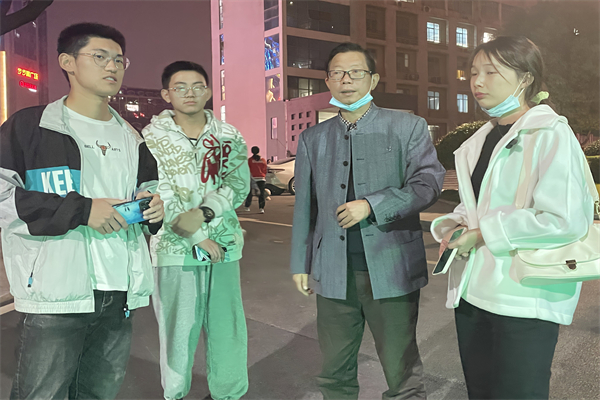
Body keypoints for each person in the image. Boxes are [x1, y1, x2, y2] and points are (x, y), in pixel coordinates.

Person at [0, 23, 164, 399]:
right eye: (100, 56)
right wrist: (82, 210)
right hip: (56, 293)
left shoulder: (132, 138)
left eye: (119, 60)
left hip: (118, 292)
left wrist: (152, 207)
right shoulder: (30, 128)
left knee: (97, 394)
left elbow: (150, 189)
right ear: (67, 62)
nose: (113, 66)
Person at [431, 36, 595, 399]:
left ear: (525, 78)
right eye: (473, 72)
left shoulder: (550, 134)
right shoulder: (480, 140)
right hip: (473, 293)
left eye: (491, 72)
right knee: (481, 392)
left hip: (524, 298)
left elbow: (564, 219)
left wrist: (482, 234)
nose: (477, 82)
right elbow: (477, 205)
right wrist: (457, 225)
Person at [290, 42, 445, 400]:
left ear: (373, 79)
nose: (346, 80)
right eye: (337, 73)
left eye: (356, 72)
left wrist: (373, 205)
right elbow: (305, 206)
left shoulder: (407, 126)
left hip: (392, 268)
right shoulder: (313, 138)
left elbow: (427, 183)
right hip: (334, 271)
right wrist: (300, 262)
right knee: (334, 371)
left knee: (402, 371)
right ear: (328, 81)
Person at [142, 61, 250, 400]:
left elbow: (239, 183)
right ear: (166, 94)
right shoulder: (150, 138)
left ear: (208, 91)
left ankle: (229, 392)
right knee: (178, 329)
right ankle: (175, 393)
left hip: (223, 245)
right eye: (180, 87)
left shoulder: (228, 135)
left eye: (197, 86)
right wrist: (195, 235)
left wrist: (206, 213)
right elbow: (155, 190)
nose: (189, 93)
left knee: (227, 326)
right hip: (174, 249)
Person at [244, 146, 268, 213]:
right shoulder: (263, 160)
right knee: (261, 194)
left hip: (252, 178)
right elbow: (265, 169)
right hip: (261, 178)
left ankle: (247, 206)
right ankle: (261, 208)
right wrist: (263, 175)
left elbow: (247, 169)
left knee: (250, 193)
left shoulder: (250, 160)